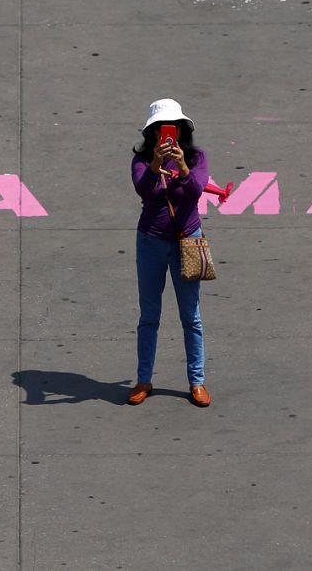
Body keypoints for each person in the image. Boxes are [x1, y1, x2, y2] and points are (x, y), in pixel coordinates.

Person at [127, 98, 212, 408]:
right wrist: (155, 164)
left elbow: (196, 191)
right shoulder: (141, 161)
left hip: (186, 239)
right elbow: (144, 190)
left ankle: (197, 381)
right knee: (149, 315)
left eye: (174, 128)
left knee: (191, 316)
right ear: (152, 133)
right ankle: (144, 379)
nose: (169, 135)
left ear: (181, 130)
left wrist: (183, 166)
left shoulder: (197, 157)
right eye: (163, 129)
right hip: (150, 241)